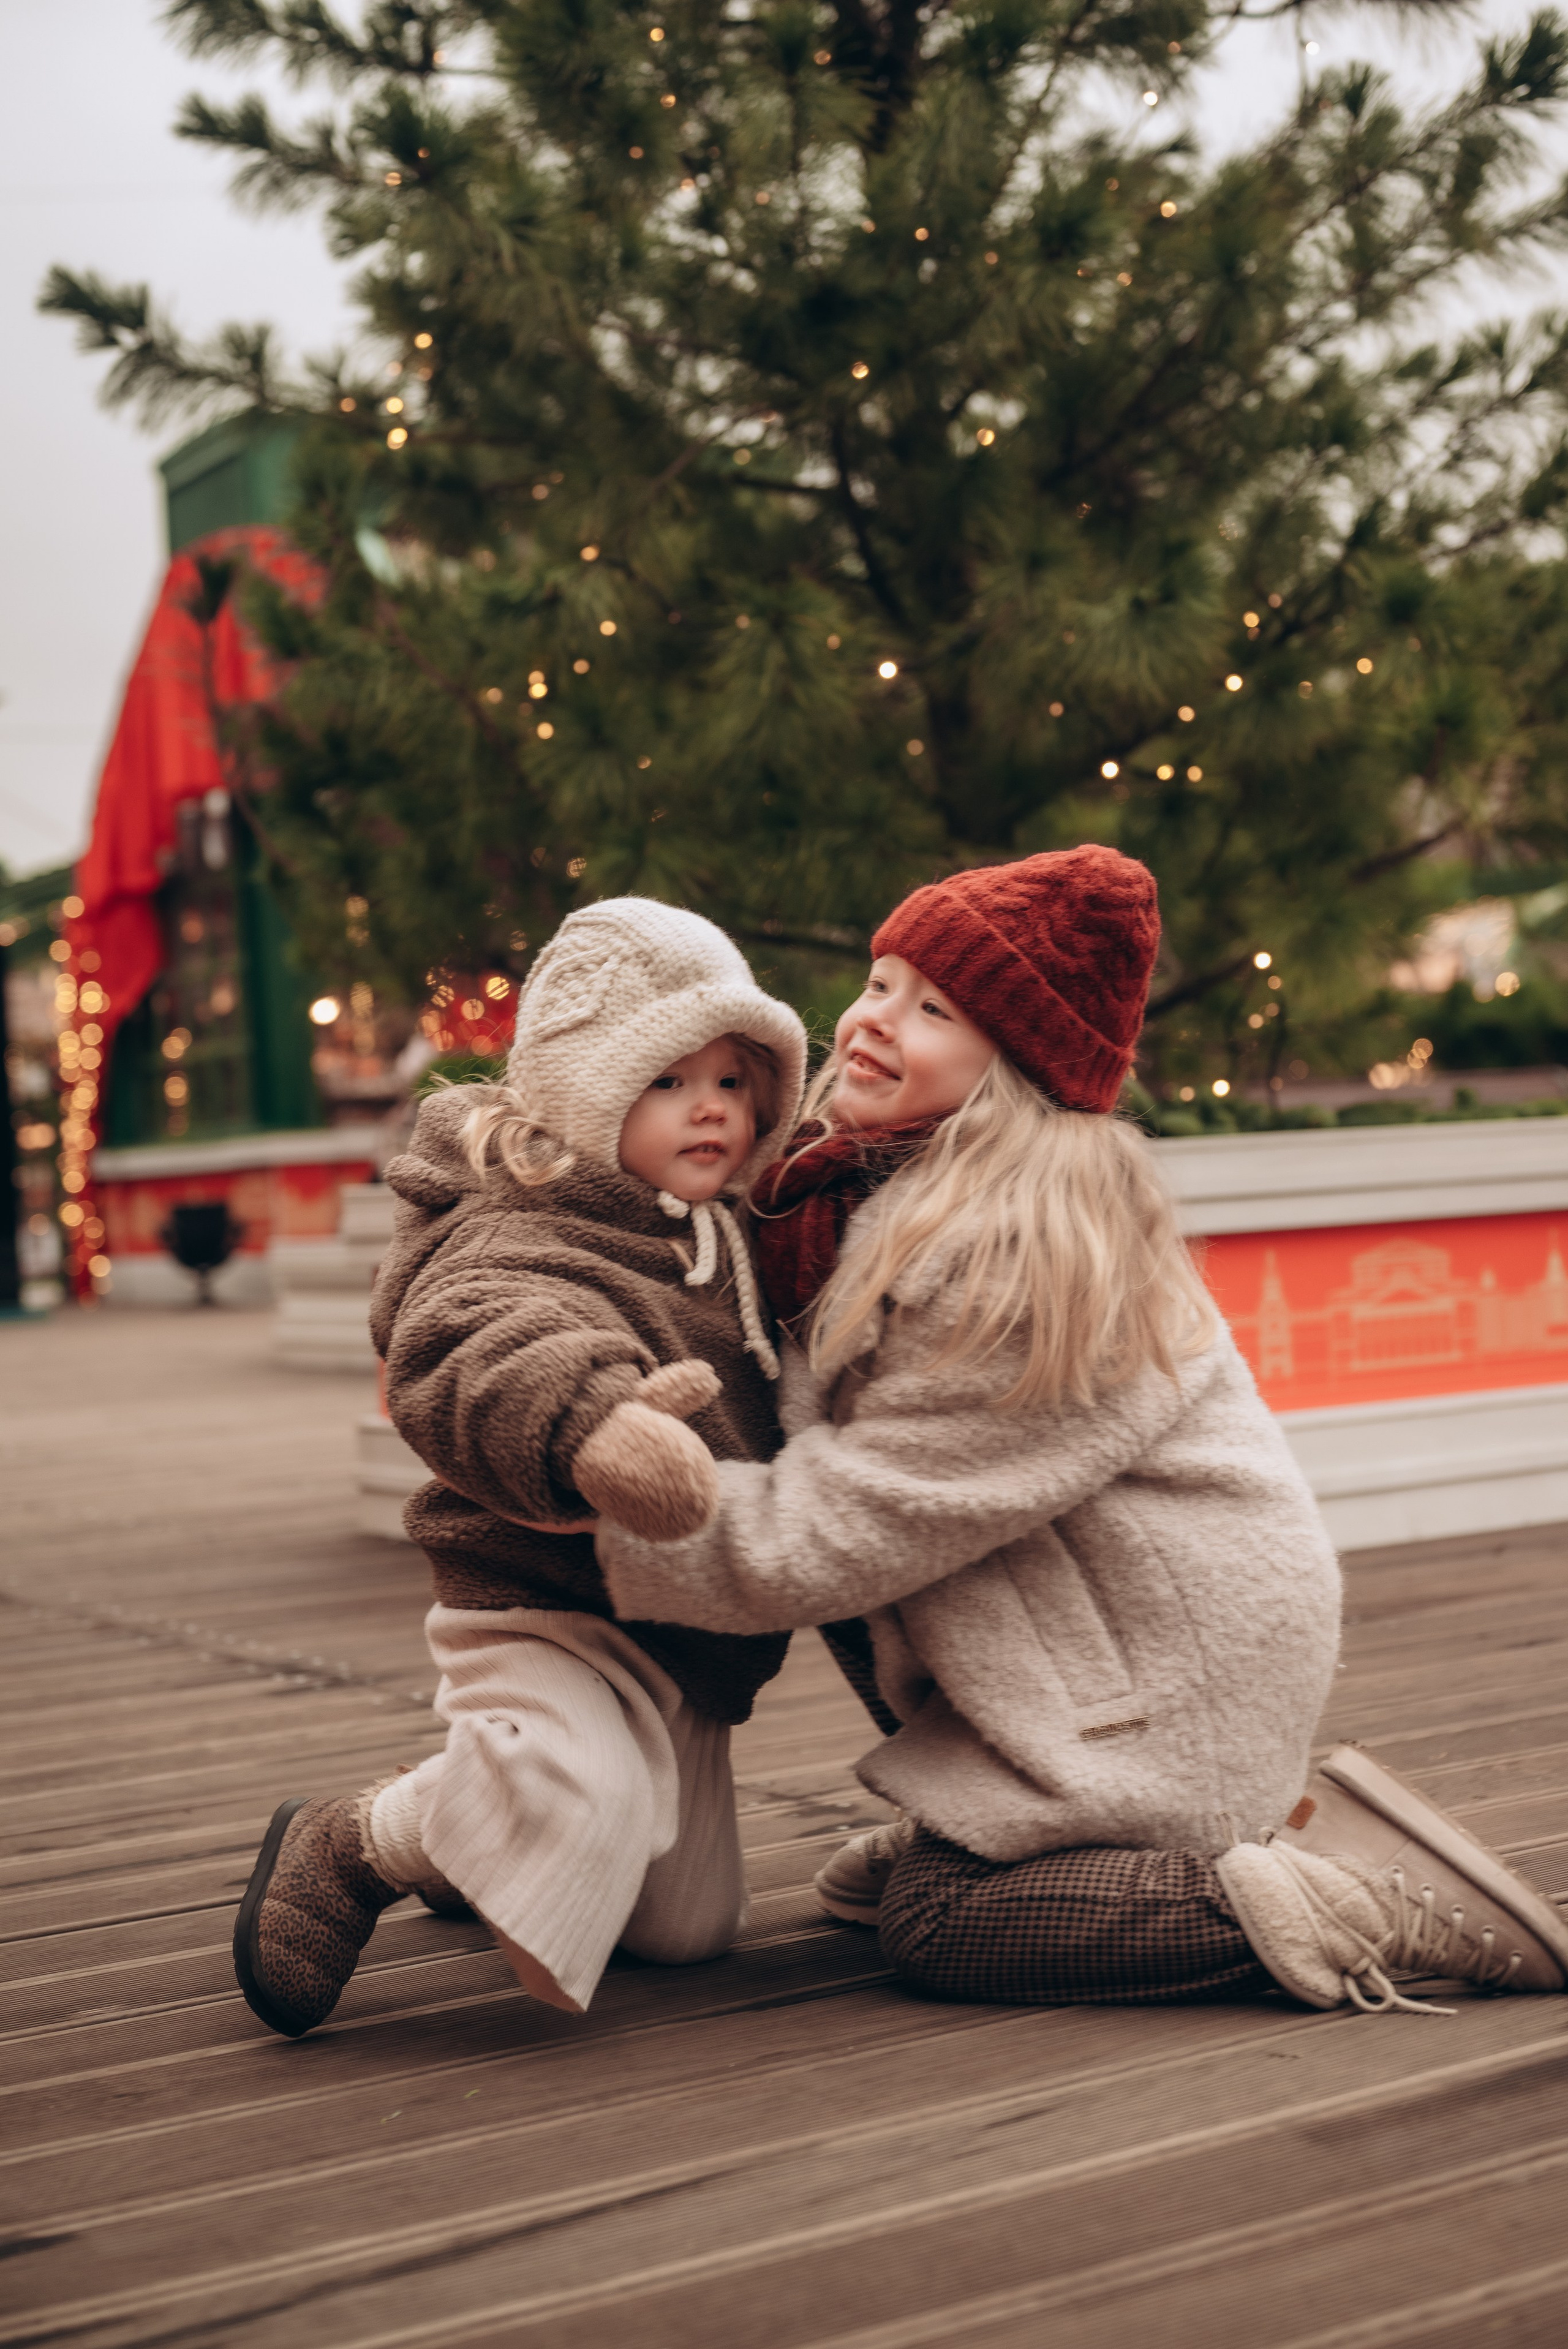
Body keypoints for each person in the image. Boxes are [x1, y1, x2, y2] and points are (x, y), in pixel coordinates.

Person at [595, 848, 1568, 2015]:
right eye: (884, 980)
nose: (873, 1022)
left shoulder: (1018, 1250)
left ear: (1017, 1068)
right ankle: (1059, 1839)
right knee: (883, 1887)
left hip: (1175, 1665)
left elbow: (866, 1512)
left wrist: (605, 1529)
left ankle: (1350, 1900)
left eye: (936, 1009)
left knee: (942, 1925)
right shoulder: (857, 1182)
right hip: (1111, 1633)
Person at [233, 899, 806, 2037]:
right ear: (592, 1089)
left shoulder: (724, 1234)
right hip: (546, 1605)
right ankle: (356, 1844)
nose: (712, 1108)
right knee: (576, 1800)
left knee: (688, 1932)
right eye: (668, 1080)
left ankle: (487, 1829)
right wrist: (592, 1424)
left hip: (684, 1641)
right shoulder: (526, 1222)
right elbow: (474, 1342)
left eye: (735, 1083)